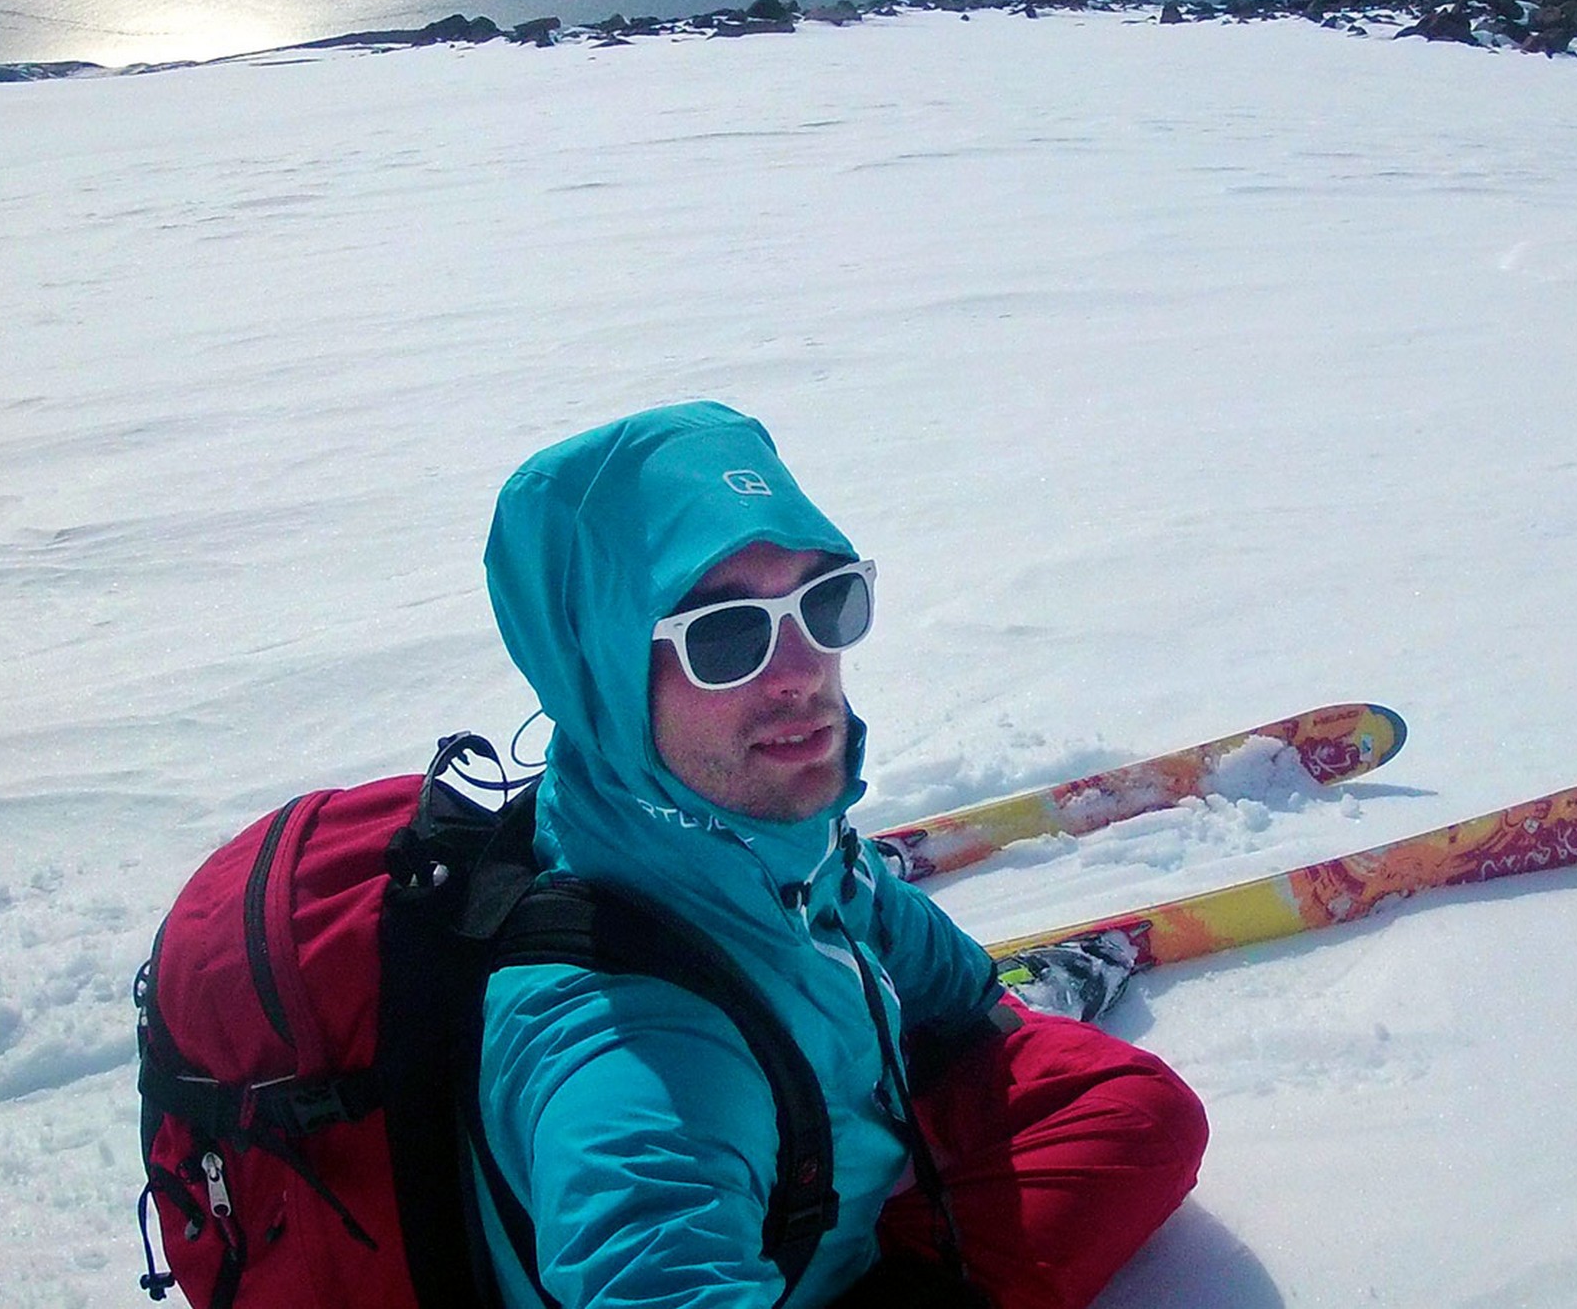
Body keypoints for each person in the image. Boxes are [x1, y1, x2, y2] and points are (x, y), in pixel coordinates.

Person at [478, 401, 1208, 1309]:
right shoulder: (635, 1059)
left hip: (827, 1174)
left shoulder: (723, 831)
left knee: (1139, 1112)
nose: (799, 668)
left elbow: (862, 905)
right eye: (724, 635)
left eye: (827, 603)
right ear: (605, 675)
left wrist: (972, 1015)